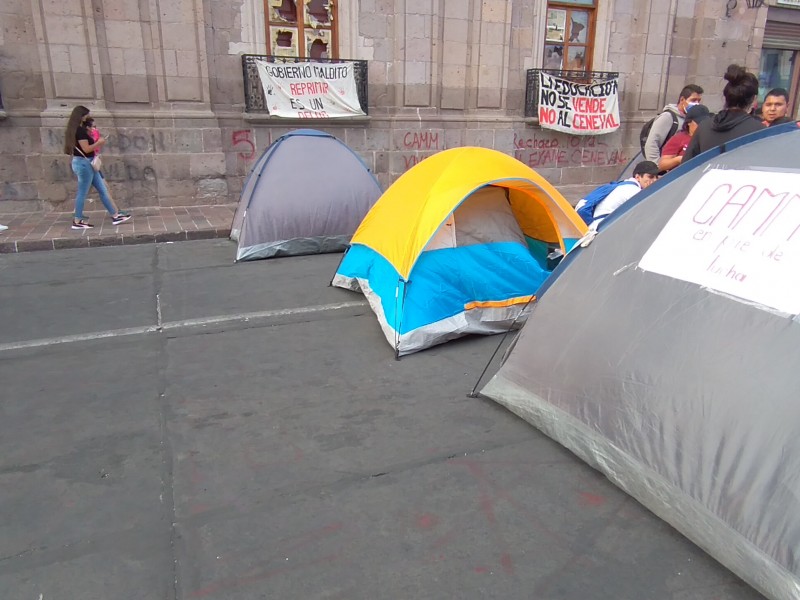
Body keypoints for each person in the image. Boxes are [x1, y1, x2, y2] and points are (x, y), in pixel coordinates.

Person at [63, 105, 132, 230]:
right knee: (82, 192)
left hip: (87, 163)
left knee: (102, 190)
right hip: (84, 164)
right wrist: (98, 143)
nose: (87, 117)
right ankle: (77, 220)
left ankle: (115, 215)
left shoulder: (75, 130)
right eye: (86, 115)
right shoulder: (79, 131)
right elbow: (86, 149)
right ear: (81, 116)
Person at [683, 65, 765, 162]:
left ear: (726, 97)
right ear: (754, 99)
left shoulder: (704, 127)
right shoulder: (759, 131)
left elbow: (686, 166)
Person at [576, 160, 660, 230]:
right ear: (638, 177)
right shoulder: (633, 191)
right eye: (650, 177)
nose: (655, 180)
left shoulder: (624, 185)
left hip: (598, 226)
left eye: (656, 177)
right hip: (603, 229)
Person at [643, 84, 704, 163]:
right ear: (682, 99)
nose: (696, 104)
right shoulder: (668, 117)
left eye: (699, 101)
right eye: (693, 100)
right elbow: (652, 144)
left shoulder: (694, 118)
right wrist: (657, 167)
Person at [658, 104, 711, 172]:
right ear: (689, 122)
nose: (701, 126)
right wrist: (678, 160)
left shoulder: (708, 137)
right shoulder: (679, 138)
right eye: (699, 123)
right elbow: (662, 165)